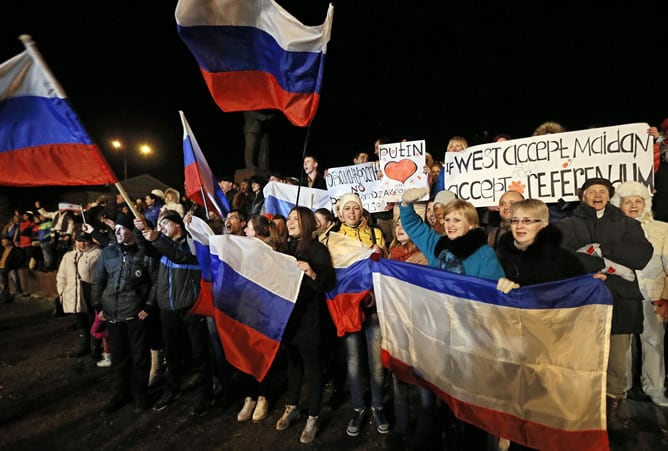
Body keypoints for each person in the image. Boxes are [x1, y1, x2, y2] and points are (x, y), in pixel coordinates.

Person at [557, 178, 653, 430]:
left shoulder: (627, 223)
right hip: (581, 299)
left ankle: (614, 410)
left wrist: (599, 249)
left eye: (602, 191)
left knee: (617, 362)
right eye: (591, 191)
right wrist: (610, 266)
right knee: (582, 358)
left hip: (619, 299)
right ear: (582, 196)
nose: (597, 195)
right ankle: (584, 408)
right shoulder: (567, 224)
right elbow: (563, 257)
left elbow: (640, 255)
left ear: (609, 195)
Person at [135, 211, 214, 416]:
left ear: (178, 225)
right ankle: (172, 389)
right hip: (167, 309)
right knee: (171, 353)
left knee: (200, 352)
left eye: (165, 224)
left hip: (191, 307)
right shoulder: (161, 246)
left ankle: (207, 393)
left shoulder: (191, 245)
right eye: (159, 226)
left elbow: (178, 255)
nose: (161, 229)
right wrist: (140, 229)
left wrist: (156, 237)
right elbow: (145, 248)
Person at [326, 193, 390, 437]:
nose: (352, 212)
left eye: (356, 208)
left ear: (361, 211)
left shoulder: (376, 234)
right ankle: (357, 407)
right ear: (340, 213)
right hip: (348, 309)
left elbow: (383, 269)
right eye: (347, 209)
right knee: (353, 362)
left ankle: (378, 406)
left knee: (376, 363)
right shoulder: (332, 238)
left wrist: (378, 254)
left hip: (373, 308)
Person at [274, 206, 335, 444]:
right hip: (289, 318)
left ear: (307, 223)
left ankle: (313, 416)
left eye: (295, 219)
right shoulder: (285, 249)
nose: (289, 222)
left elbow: (328, 282)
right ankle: (292, 405)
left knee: (312, 367)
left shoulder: (319, 250)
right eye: (288, 218)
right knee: (293, 364)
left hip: (309, 320)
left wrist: (310, 271)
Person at [91, 214, 158, 414]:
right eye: (116, 228)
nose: (117, 232)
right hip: (112, 314)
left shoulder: (144, 253)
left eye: (122, 228)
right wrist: (98, 306)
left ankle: (140, 394)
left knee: (139, 357)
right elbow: (99, 280)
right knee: (119, 356)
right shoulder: (108, 252)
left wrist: (148, 307)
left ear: (132, 231)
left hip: (135, 314)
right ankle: (121, 393)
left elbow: (155, 281)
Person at [610, 181, 668, 407]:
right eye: (627, 201)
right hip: (623, 295)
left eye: (638, 201)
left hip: (652, 295)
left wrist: (665, 296)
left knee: (653, 342)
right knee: (622, 345)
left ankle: (654, 388)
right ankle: (620, 388)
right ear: (619, 204)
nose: (633, 206)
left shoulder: (661, 229)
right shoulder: (612, 230)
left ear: (646, 203)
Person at [236, 214, 287, 423]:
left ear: (257, 231)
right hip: (245, 309)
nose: (245, 231)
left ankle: (263, 396)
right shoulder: (243, 251)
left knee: (262, 354)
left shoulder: (273, 253)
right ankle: (250, 396)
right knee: (245, 353)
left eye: (247, 228)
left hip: (265, 313)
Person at [56, 230, 102, 357]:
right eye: (79, 241)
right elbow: (61, 276)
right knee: (81, 321)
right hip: (73, 294)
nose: (82, 244)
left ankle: (95, 346)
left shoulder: (98, 254)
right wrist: (62, 293)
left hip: (91, 294)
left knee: (94, 321)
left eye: (85, 241)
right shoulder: (68, 256)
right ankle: (84, 344)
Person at [0, 234, 24, 303]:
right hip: (1, 267)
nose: (3, 243)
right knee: (2, 282)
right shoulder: (2, 250)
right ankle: (5, 296)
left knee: (3, 282)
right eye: (2, 242)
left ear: (10, 242)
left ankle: (5, 297)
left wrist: (12, 265)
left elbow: (21, 259)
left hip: (8, 267)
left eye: (4, 241)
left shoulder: (16, 250)